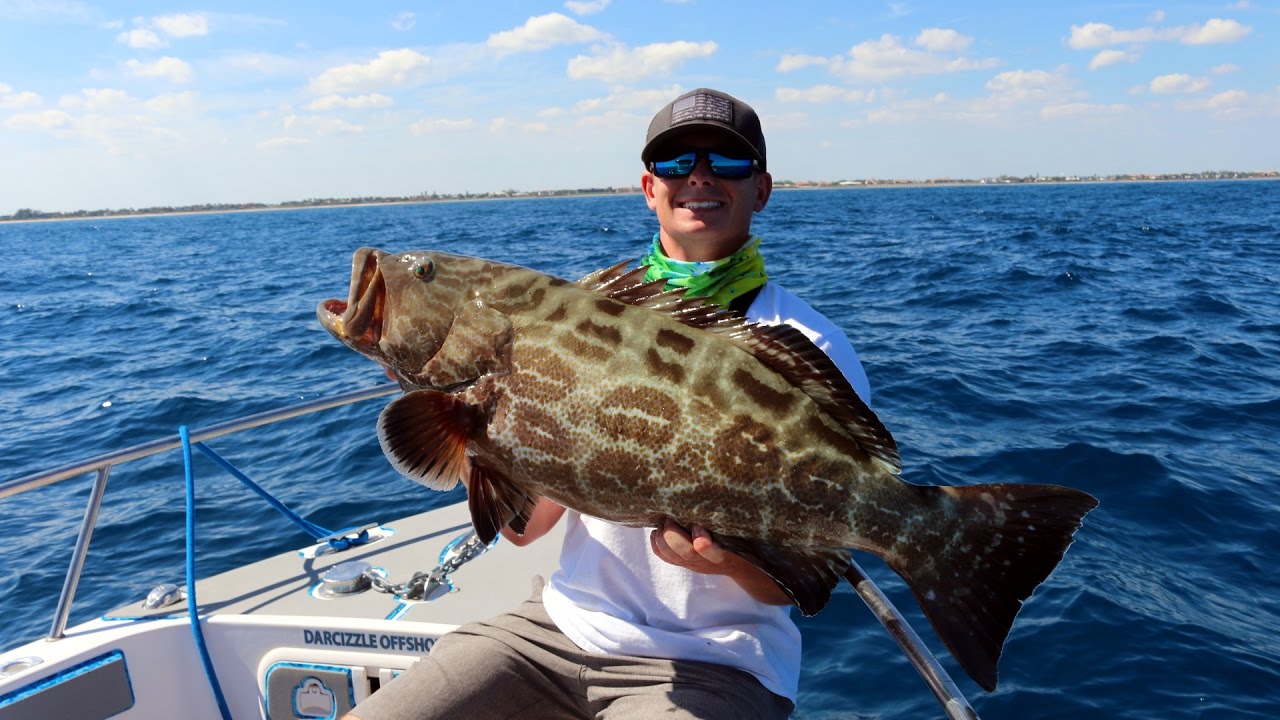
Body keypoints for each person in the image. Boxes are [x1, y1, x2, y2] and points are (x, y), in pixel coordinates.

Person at [346, 88, 871, 720]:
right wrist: (457, 411)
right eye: (676, 164)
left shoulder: (804, 344)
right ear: (650, 187)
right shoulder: (581, 319)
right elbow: (522, 531)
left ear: (761, 188)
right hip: (556, 629)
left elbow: (802, 580)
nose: (699, 177)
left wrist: (728, 560)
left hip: (722, 663)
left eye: (726, 163)